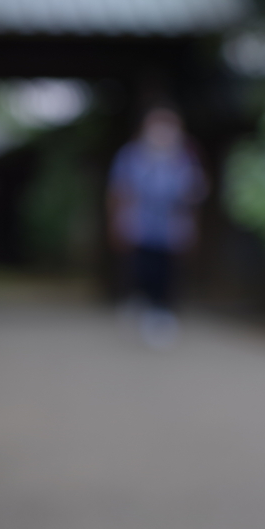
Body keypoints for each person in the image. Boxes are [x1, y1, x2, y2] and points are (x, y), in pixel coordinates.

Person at [107, 107, 207, 348]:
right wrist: (117, 222)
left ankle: (162, 315)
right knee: (143, 269)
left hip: (173, 227)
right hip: (140, 225)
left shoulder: (185, 158)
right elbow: (120, 190)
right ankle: (146, 305)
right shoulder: (131, 156)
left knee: (168, 272)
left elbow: (196, 193)